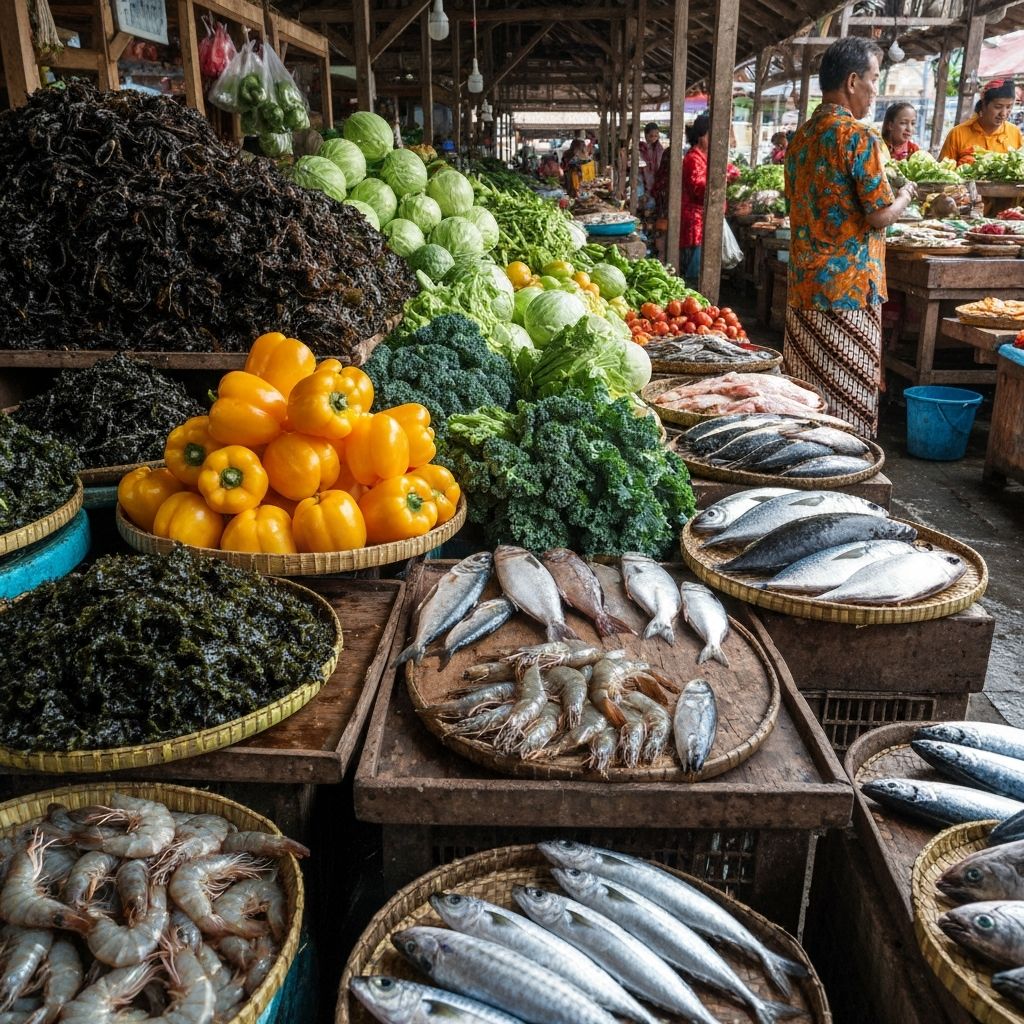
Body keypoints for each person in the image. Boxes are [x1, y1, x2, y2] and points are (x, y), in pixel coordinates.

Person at [783, 37, 916, 439]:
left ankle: (802, 473)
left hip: (804, 286)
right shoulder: (859, 138)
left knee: (804, 402)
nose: (877, 90)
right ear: (853, 81)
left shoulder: (801, 138)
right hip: (849, 293)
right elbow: (878, 215)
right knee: (847, 406)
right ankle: (845, 475)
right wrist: (906, 195)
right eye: (875, 79)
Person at [940, 79, 1022, 166]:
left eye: (1009, 107)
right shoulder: (958, 134)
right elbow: (943, 172)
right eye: (998, 107)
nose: (1003, 114)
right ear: (984, 104)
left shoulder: (1015, 133)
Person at [679, 114, 711, 283]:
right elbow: (699, 188)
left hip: (704, 219)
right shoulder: (693, 158)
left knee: (700, 264)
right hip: (694, 221)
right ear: (701, 136)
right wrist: (723, 178)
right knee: (693, 268)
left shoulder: (705, 157)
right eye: (709, 135)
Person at [639, 122, 664, 198]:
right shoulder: (641, 149)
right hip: (643, 181)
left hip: (657, 181)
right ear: (646, 136)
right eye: (651, 136)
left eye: (656, 136)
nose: (654, 139)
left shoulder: (660, 149)